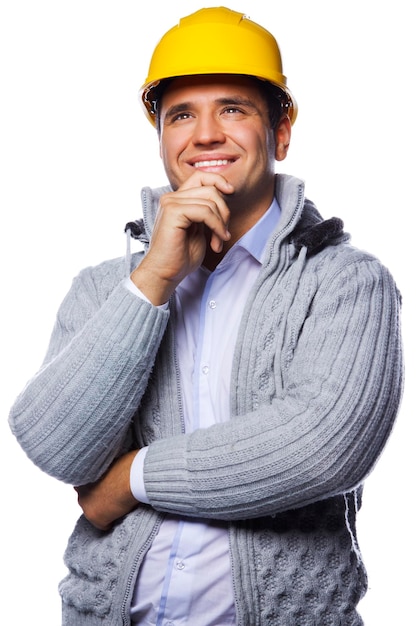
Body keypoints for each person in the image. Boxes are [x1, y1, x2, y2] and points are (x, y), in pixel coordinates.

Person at [9, 6, 403, 626]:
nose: (206, 135)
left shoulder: (346, 282)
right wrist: (154, 280)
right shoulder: (105, 289)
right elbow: (56, 448)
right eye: (182, 115)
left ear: (280, 132)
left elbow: (321, 450)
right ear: (162, 137)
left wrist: (130, 479)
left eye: (234, 109)